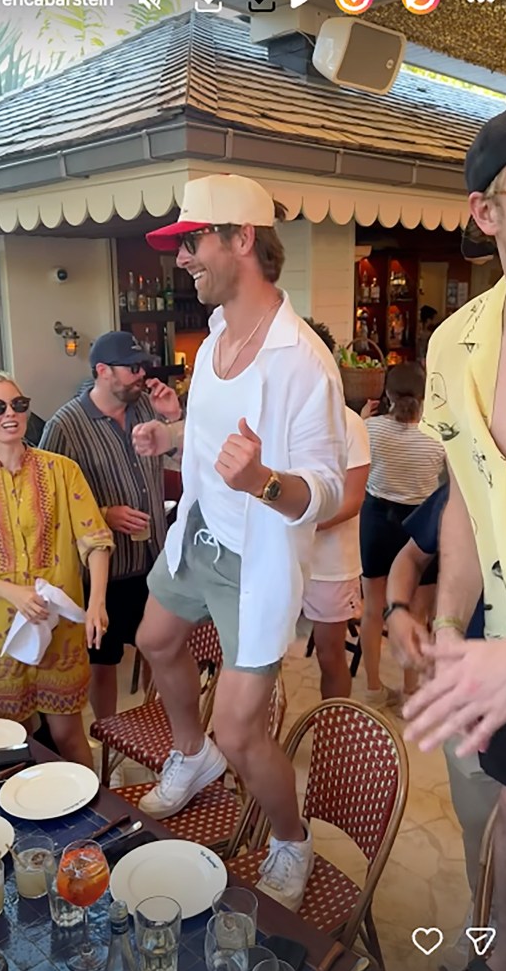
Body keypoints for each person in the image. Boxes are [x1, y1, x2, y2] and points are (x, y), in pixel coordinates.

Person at [132, 173, 346, 912]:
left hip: (253, 561)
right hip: (199, 530)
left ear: (241, 239)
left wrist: (260, 480)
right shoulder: (221, 332)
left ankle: (289, 838)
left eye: (192, 241)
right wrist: (174, 433)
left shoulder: (301, 360)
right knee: (154, 638)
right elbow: (222, 440)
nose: (182, 257)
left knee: (242, 727)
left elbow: (325, 488)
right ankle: (191, 758)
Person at [403, 100, 506, 971]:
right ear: (485, 212)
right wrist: (448, 621)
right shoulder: (453, 344)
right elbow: (460, 493)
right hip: (502, 633)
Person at [0, 372, 113, 768]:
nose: (10, 414)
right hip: (0, 632)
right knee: (14, 740)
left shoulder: (62, 470)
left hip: (61, 629)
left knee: (69, 734)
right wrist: (10, 592)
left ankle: (88, 819)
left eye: (18, 405)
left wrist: (98, 602)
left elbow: (95, 540)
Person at [40, 332, 182, 718]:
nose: (142, 374)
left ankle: (161, 724)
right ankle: (108, 735)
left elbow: (186, 462)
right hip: (106, 571)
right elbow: (47, 504)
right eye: (132, 367)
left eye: (143, 366)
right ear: (102, 371)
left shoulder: (147, 410)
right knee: (104, 665)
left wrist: (174, 419)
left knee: (160, 649)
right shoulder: (66, 426)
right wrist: (104, 514)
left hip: (156, 559)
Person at [386, 484, 500, 922]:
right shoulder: (473, 477)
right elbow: (411, 556)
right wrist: (398, 610)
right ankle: (484, 913)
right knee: (478, 829)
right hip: (467, 696)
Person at [359, 362, 445, 709]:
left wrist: (365, 417)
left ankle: (373, 689)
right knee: (418, 613)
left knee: (372, 610)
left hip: (377, 519)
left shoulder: (370, 429)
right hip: (420, 526)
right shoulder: (437, 436)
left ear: (387, 395)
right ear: (425, 398)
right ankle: (411, 690)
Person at [301, 319, 371, 698]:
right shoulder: (281, 417)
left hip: (331, 563)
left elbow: (352, 499)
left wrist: (305, 524)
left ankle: (336, 739)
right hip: (283, 556)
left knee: (330, 655)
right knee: (265, 655)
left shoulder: (349, 422)